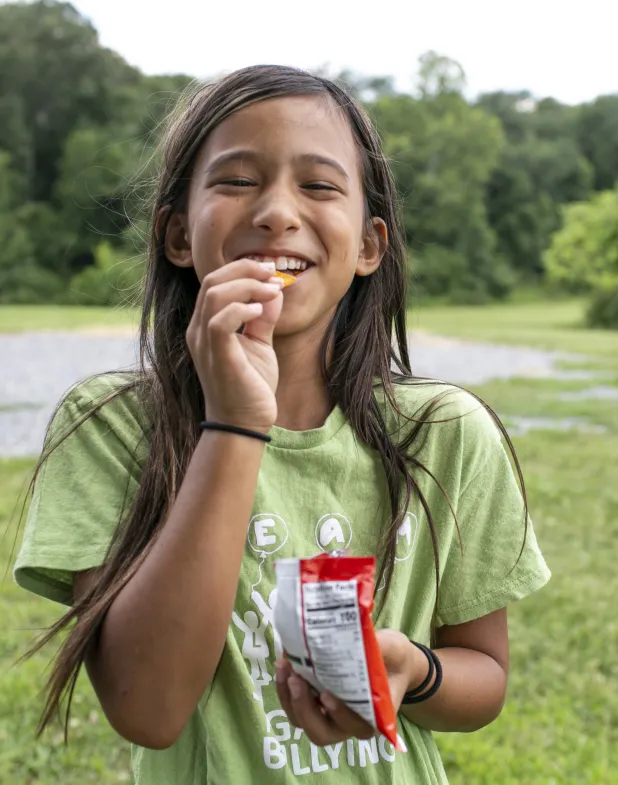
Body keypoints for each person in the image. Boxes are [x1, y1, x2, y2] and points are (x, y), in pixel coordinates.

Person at [14, 65, 550, 784]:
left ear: (368, 246)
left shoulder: (444, 432)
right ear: (177, 235)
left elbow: (482, 673)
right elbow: (147, 708)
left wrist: (412, 671)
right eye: (236, 180)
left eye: (319, 186)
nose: (275, 211)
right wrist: (233, 424)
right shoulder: (110, 425)